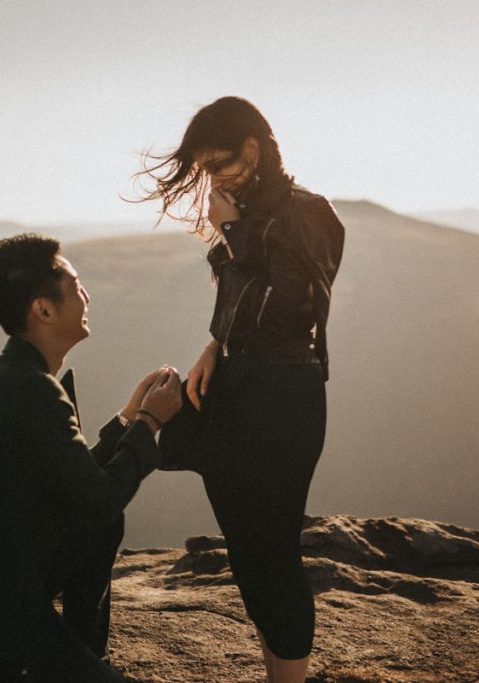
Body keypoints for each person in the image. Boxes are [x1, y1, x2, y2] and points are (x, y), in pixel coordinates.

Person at [0, 233, 182, 682]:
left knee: (101, 521)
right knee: (105, 516)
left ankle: (81, 655)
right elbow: (99, 499)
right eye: (76, 284)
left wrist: (126, 420)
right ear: (42, 310)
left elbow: (73, 479)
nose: (86, 295)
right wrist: (149, 424)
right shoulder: (30, 389)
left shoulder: (0, 378)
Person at [137, 96, 345, 683]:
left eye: (220, 163)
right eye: (205, 168)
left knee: (272, 549)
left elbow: (290, 309)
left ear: (253, 149)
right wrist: (212, 347)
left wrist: (230, 228)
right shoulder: (248, 212)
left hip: (283, 395)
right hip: (235, 381)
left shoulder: (308, 212)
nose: (213, 178)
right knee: (246, 549)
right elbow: (238, 302)